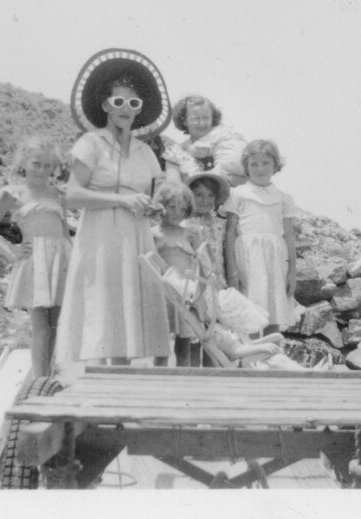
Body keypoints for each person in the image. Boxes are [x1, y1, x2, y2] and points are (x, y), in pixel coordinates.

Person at [56, 49, 172, 366]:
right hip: (100, 239)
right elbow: (73, 195)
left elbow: (154, 194)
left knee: (127, 315)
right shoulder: (90, 144)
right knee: (102, 310)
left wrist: (152, 208)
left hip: (136, 238)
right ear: (105, 105)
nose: (126, 109)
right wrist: (122, 200)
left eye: (134, 103)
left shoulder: (145, 152)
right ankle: (97, 387)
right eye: (118, 101)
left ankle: (121, 387)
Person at [0, 137, 70, 377]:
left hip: (60, 262)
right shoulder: (15, 193)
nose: (42, 170)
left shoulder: (59, 195)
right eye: (36, 163)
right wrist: (11, 252)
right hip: (35, 262)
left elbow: (64, 234)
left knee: (55, 325)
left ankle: (47, 377)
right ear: (23, 163)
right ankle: (38, 379)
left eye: (48, 166)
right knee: (41, 327)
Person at [222, 139, 299, 335]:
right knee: (251, 309)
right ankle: (253, 352)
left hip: (275, 260)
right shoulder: (238, 194)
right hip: (249, 259)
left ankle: (272, 352)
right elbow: (230, 232)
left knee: (274, 310)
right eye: (253, 164)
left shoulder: (283, 198)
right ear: (246, 167)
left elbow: (289, 236)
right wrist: (232, 270)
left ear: (275, 165)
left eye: (265, 163)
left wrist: (292, 273)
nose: (260, 169)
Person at [152, 181, 204, 367]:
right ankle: (159, 376)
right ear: (161, 206)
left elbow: (203, 259)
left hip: (185, 294)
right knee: (161, 346)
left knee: (184, 346)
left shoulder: (189, 233)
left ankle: (185, 378)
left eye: (182, 209)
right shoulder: (154, 233)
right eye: (172, 207)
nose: (177, 213)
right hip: (163, 293)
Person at [165, 95, 247, 186]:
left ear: (212, 119)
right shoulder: (175, 153)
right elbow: (174, 187)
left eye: (206, 118)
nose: (202, 123)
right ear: (184, 121)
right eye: (195, 119)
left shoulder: (222, 140)